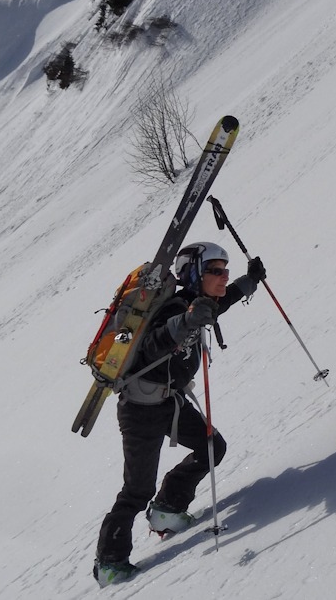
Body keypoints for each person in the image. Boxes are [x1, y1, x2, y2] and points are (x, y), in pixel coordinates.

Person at [94, 241, 266, 587]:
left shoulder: (198, 304)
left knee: (212, 447)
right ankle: (110, 563)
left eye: (225, 270)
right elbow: (149, 346)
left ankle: (168, 510)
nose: (223, 276)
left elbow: (222, 302)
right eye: (215, 271)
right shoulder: (174, 306)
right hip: (141, 410)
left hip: (170, 402)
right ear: (194, 272)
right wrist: (185, 322)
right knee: (136, 489)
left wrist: (249, 282)